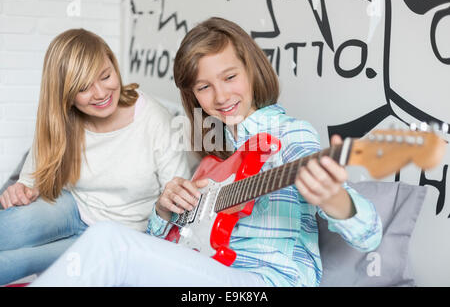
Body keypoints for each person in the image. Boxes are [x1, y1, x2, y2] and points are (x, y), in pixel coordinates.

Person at [31, 17, 382, 287]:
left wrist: (334, 197)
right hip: (208, 274)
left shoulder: (289, 135)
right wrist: (164, 209)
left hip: (264, 280)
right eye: (204, 87)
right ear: (194, 96)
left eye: (230, 77)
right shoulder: (214, 156)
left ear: (252, 71)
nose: (221, 96)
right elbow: (167, 239)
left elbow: (370, 235)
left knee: (107, 241)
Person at [0, 29, 191, 285]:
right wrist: (21, 190)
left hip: (121, 234)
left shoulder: (154, 120)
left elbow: (180, 200)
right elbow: (31, 179)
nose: (101, 93)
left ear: (113, 64)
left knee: (20, 262)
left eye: (106, 76)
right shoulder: (61, 117)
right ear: (65, 93)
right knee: (11, 228)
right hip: (73, 207)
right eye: (83, 88)